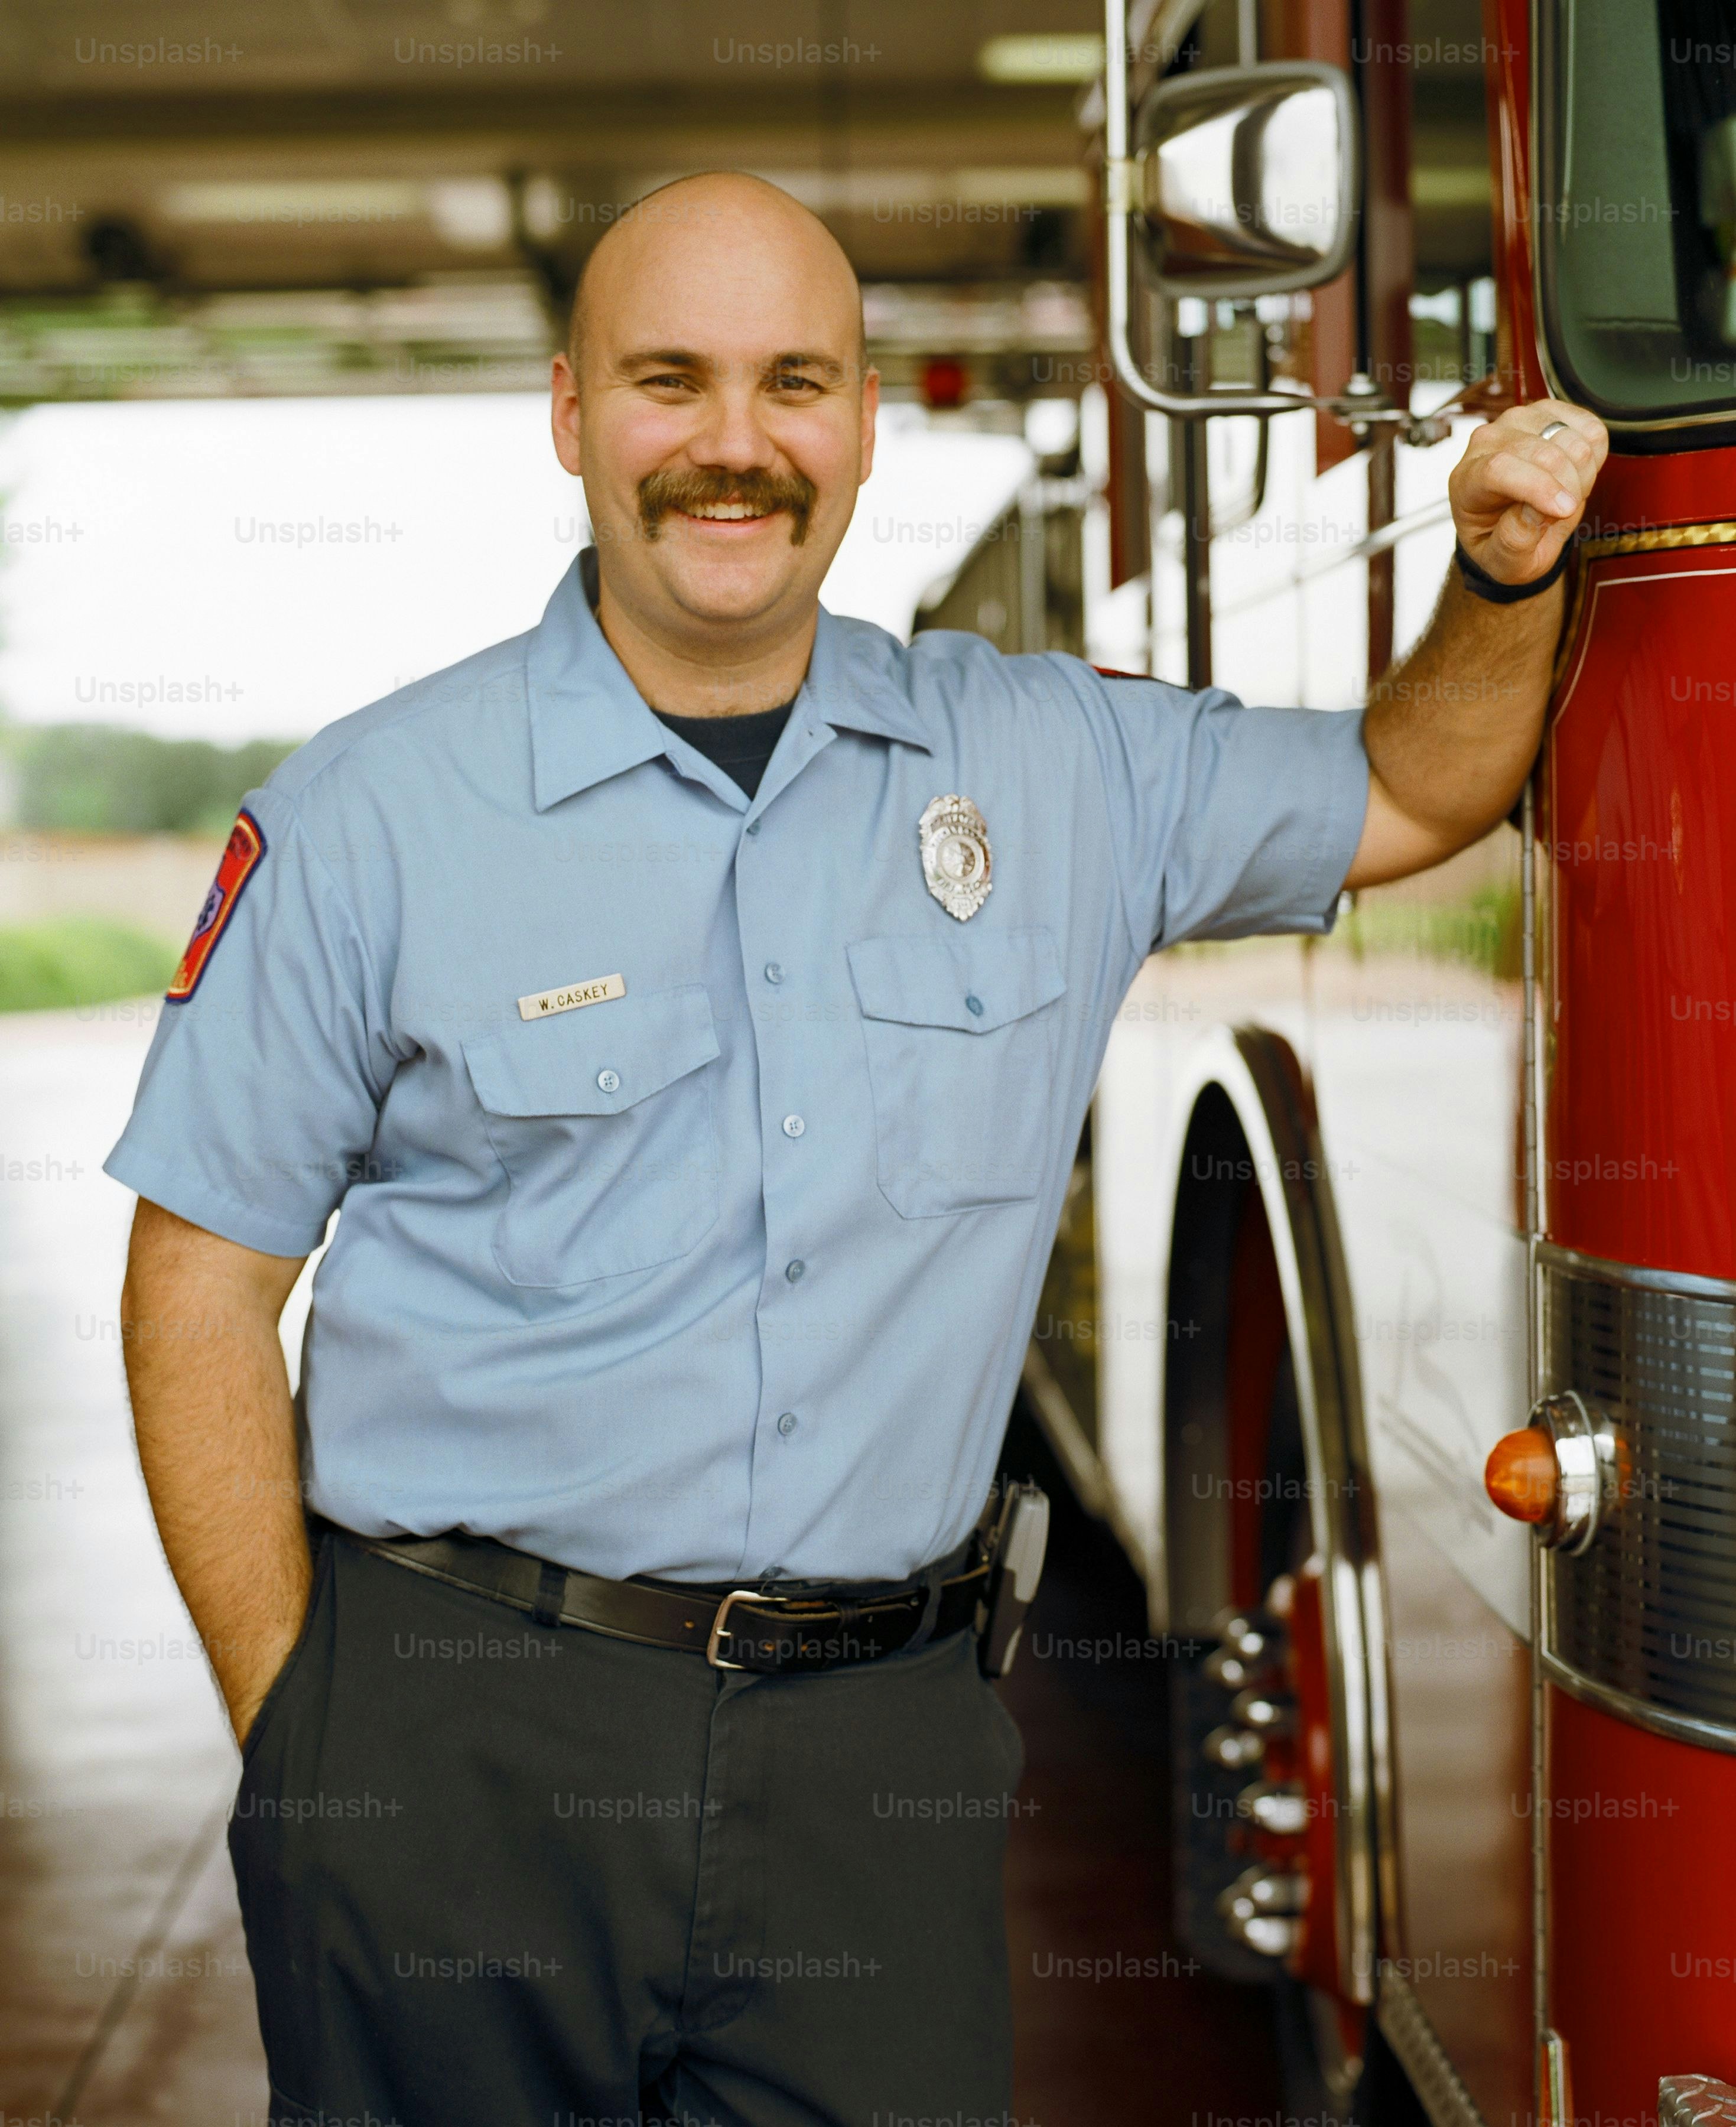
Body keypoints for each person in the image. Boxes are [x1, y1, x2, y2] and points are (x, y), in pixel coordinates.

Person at [108, 170, 1606, 2127]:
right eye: (671, 382)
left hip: (873, 1756)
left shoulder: (1060, 768)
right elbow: (199, 1284)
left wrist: (1497, 575)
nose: (733, 445)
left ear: (862, 417)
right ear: (573, 415)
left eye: (790, 383)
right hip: (463, 1736)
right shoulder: (371, 815)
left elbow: (1412, 784)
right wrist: (307, 1743)